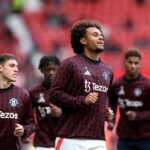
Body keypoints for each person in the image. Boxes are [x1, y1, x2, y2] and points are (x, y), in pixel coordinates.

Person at [49, 19, 114, 150]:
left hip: (98, 140)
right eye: (95, 35)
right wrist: (82, 100)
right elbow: (54, 94)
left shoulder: (108, 70)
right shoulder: (70, 64)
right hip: (70, 138)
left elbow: (103, 100)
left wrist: (107, 113)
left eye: (101, 35)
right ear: (83, 41)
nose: (101, 37)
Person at [108, 48, 150, 150]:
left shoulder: (147, 85)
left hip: (145, 137)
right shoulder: (116, 84)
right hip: (124, 137)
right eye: (130, 62)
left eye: (136, 63)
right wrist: (111, 120)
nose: (133, 66)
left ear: (140, 64)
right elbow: (112, 103)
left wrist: (137, 116)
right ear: (124, 62)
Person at [0, 53, 35, 150]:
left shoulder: (22, 94)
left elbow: (31, 124)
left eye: (17, 66)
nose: (16, 69)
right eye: (12, 66)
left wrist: (24, 130)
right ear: (0, 68)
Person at [29, 55, 62, 150]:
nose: (51, 73)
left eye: (54, 69)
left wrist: (61, 113)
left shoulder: (67, 90)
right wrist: (25, 134)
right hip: (42, 143)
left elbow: (77, 115)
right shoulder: (34, 92)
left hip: (63, 141)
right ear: (42, 70)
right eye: (48, 69)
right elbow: (27, 117)